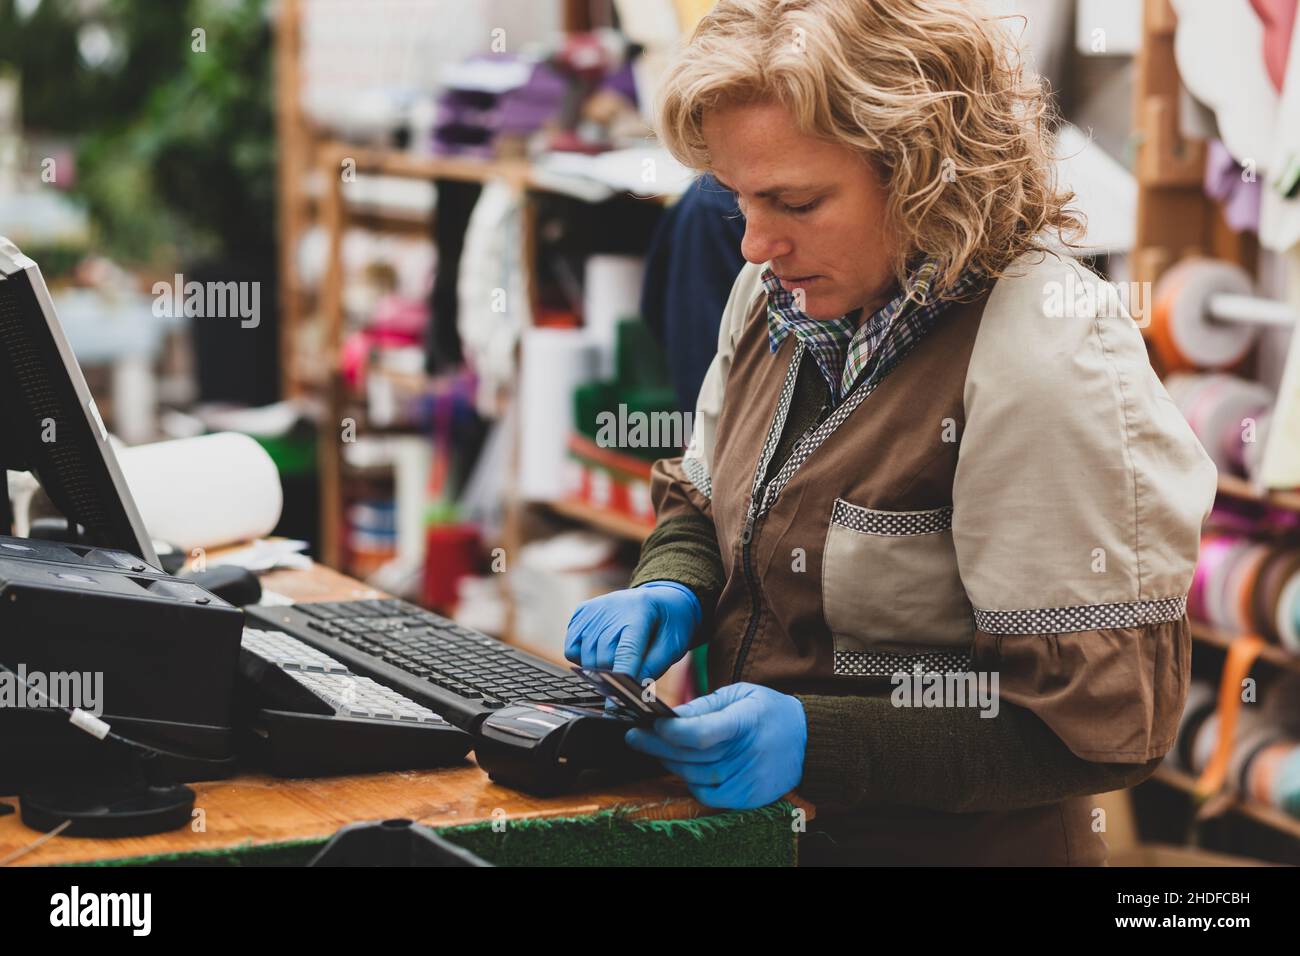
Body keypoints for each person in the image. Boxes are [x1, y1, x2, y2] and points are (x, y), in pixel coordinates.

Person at [565, 0, 1217, 865]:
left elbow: (1097, 728)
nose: (756, 243)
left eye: (795, 200)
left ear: (924, 172)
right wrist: (676, 587)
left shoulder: (1044, 352)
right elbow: (701, 496)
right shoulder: (777, 299)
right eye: (740, 201)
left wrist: (817, 740)